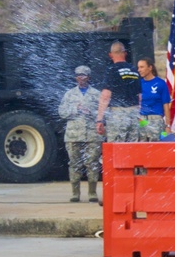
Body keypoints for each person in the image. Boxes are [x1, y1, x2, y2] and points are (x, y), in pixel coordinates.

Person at [57, 65, 103, 203]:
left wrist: (92, 112)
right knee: (74, 164)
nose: (80, 78)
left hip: (92, 135)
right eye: (78, 75)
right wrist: (75, 109)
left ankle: (92, 192)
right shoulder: (69, 94)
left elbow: (104, 113)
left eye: (83, 75)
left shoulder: (97, 94)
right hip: (73, 135)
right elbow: (62, 112)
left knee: (92, 164)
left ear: (88, 77)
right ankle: (75, 193)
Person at [95, 41, 141, 142]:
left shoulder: (112, 70)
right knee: (133, 147)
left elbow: (106, 96)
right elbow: (140, 96)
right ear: (125, 53)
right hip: (134, 114)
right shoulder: (134, 70)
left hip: (118, 115)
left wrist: (99, 119)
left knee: (117, 148)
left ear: (110, 55)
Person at [137, 57, 171, 142]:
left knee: (155, 145)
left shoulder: (160, 83)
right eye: (138, 67)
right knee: (141, 145)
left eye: (142, 67)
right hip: (142, 119)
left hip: (156, 119)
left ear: (150, 67)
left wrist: (168, 125)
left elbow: (166, 105)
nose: (139, 70)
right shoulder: (138, 84)